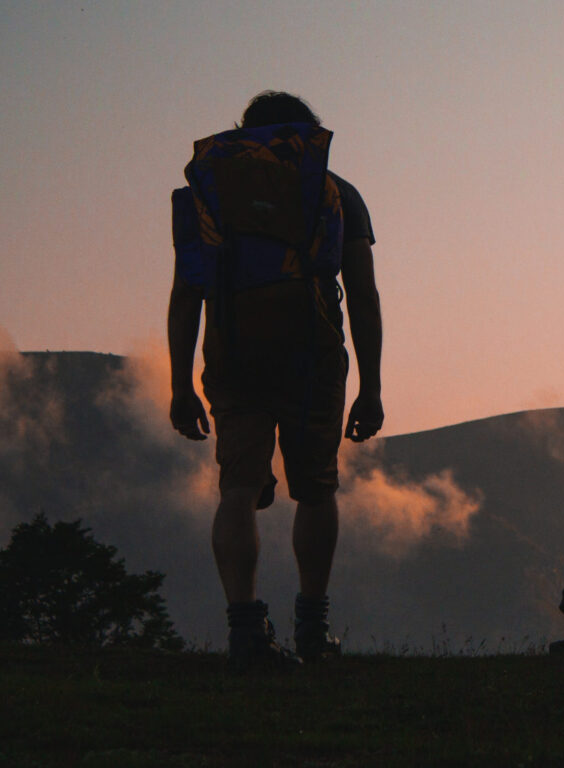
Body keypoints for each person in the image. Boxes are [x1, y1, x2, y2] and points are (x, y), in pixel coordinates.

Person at [167, 91, 383, 670]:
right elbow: (361, 294)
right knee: (315, 487)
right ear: (305, 135)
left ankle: (245, 633)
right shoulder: (333, 191)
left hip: (233, 348)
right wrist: (372, 384)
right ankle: (312, 630)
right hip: (310, 350)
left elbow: (188, 292)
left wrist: (180, 383)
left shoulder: (213, 192)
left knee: (237, 488)